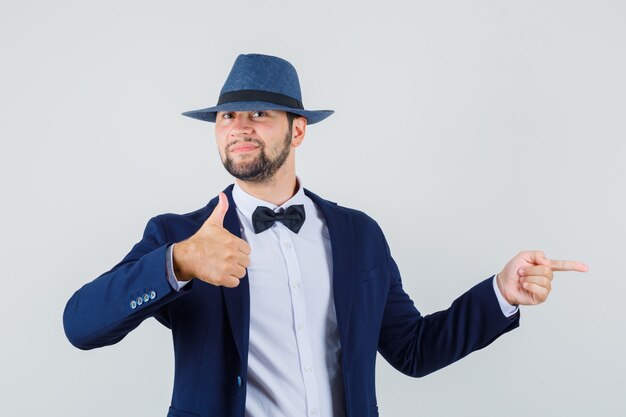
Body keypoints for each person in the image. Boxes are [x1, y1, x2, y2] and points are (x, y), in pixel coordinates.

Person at [63, 53, 588, 417]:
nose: (238, 127)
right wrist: (175, 263)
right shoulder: (181, 235)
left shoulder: (359, 235)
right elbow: (81, 324)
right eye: (226, 117)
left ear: (298, 129)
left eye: (258, 115)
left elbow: (413, 349)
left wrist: (500, 292)